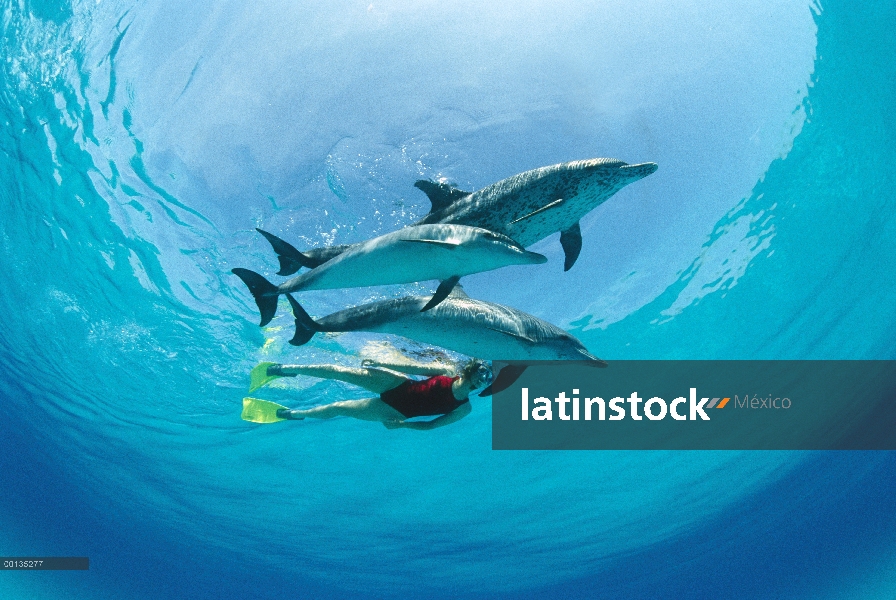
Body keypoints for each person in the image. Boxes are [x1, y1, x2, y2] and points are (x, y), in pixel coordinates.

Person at [241, 355, 493, 430]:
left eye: (487, 379)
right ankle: (283, 369)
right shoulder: (447, 370)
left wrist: (403, 425)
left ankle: (292, 413)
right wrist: (382, 364)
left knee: (339, 408)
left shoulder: (464, 408)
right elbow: (414, 366)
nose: (482, 379)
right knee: (336, 370)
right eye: (483, 372)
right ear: (472, 369)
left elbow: (434, 425)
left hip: (395, 410)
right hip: (398, 385)